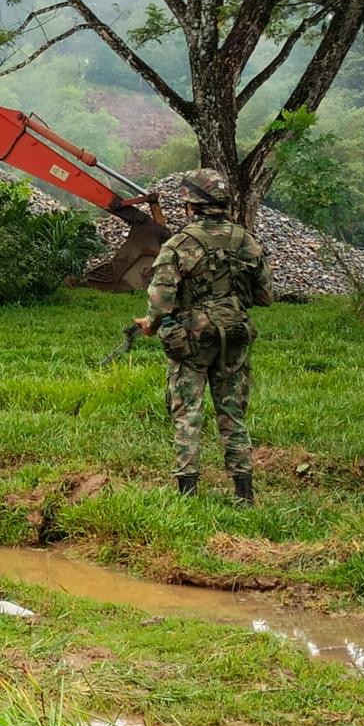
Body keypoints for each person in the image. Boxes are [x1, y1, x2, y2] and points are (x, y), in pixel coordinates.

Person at [134, 169, 273, 504]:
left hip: (191, 343)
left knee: (188, 414)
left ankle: (188, 496)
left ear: (189, 204)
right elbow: (264, 296)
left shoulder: (179, 245)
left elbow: (161, 301)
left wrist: (149, 325)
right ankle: (244, 495)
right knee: (233, 415)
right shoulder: (247, 241)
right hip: (234, 336)